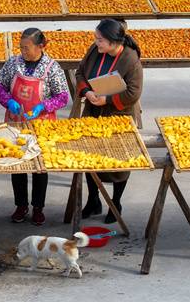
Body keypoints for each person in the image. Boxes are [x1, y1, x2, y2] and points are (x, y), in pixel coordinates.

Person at [0, 28, 70, 225]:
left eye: (27, 48)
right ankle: (21, 205)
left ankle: (38, 207)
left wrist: (43, 106)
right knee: (17, 165)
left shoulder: (52, 67)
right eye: (21, 47)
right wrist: (8, 100)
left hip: (41, 125)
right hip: (15, 122)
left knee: (39, 168)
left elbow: (62, 97)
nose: (23, 51)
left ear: (40, 47)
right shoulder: (13, 63)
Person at [75, 18, 143, 224]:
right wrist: (87, 92)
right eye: (96, 38)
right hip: (94, 112)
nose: (96, 42)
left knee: (118, 163)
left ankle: (116, 203)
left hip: (118, 115)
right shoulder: (95, 51)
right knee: (91, 158)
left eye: (100, 40)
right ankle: (93, 199)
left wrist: (108, 99)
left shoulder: (130, 59)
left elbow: (133, 92)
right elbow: (80, 73)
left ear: (113, 42)